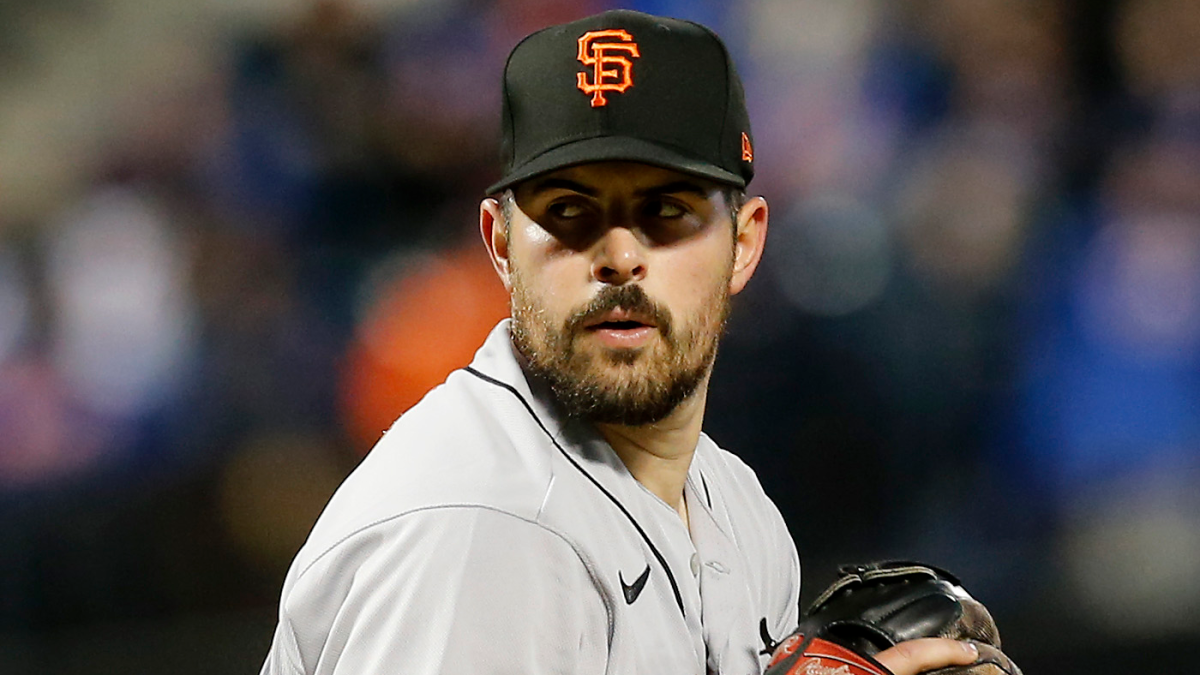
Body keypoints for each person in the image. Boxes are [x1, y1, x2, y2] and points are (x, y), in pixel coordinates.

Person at [260, 10, 981, 675]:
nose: (619, 255)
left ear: (745, 242)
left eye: (666, 211)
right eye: (570, 211)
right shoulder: (479, 530)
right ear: (502, 244)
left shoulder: (735, 503)